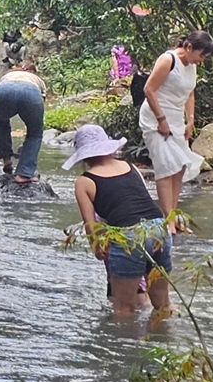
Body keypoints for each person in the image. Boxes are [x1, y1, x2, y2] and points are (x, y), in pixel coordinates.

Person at [67, 123, 173, 317]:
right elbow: (140, 200)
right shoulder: (130, 167)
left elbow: (91, 226)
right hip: (159, 228)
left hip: (129, 236)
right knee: (163, 304)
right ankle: (169, 341)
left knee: (124, 309)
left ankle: (126, 346)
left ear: (84, 156)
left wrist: (98, 249)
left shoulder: (84, 181)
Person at [138, 30, 213, 223]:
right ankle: (168, 220)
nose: (201, 60)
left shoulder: (192, 65)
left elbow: (190, 94)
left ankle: (172, 214)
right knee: (165, 166)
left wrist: (190, 120)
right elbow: (149, 89)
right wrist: (161, 120)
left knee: (179, 167)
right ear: (189, 47)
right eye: (201, 55)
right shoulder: (168, 60)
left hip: (176, 119)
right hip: (155, 118)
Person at [0, 62, 47, 184]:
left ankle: (6, 159)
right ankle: (24, 173)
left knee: (1, 122)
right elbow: (38, 113)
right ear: (33, 72)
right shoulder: (37, 80)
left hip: (1, 90)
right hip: (30, 92)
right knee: (35, 133)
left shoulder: (7, 75)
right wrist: (26, 146)